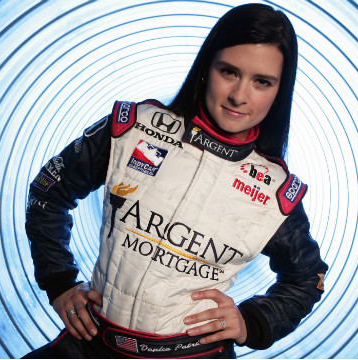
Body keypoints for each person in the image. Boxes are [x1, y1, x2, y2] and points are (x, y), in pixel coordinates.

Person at [23, 3, 328, 358]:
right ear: (206, 67)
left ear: (279, 90)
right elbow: (47, 192)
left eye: (262, 82)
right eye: (229, 72)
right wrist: (59, 282)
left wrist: (252, 321)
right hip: (94, 342)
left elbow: (308, 278)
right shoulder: (134, 128)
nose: (239, 95)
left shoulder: (274, 191)